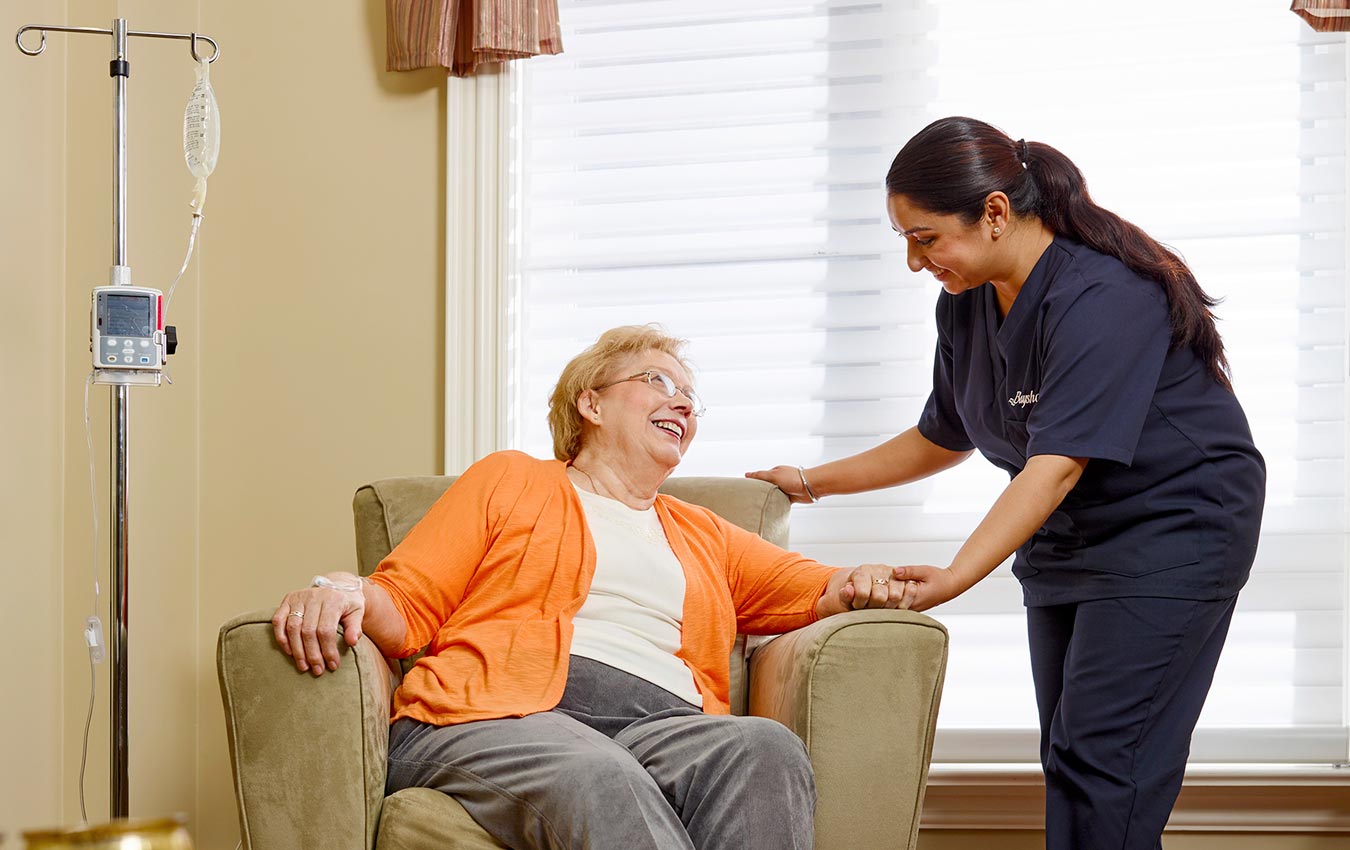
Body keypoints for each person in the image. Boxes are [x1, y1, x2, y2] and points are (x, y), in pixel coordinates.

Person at [748, 117, 1266, 850]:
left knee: (1105, 758)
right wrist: (807, 481)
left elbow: (1055, 465)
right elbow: (944, 432)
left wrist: (955, 577)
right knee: (1069, 754)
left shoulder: (1104, 295)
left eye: (924, 238)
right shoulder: (966, 299)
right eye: (904, 239)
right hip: (1069, 537)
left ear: (994, 212)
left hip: (1175, 529)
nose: (912, 260)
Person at [273, 325, 907, 850]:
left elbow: (815, 587)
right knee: (602, 776)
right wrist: (340, 588)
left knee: (765, 749)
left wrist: (864, 581)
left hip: (663, 727)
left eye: (691, 397)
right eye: (658, 382)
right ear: (591, 403)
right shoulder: (511, 480)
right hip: (500, 715)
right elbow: (408, 601)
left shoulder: (705, 533)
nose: (683, 404)